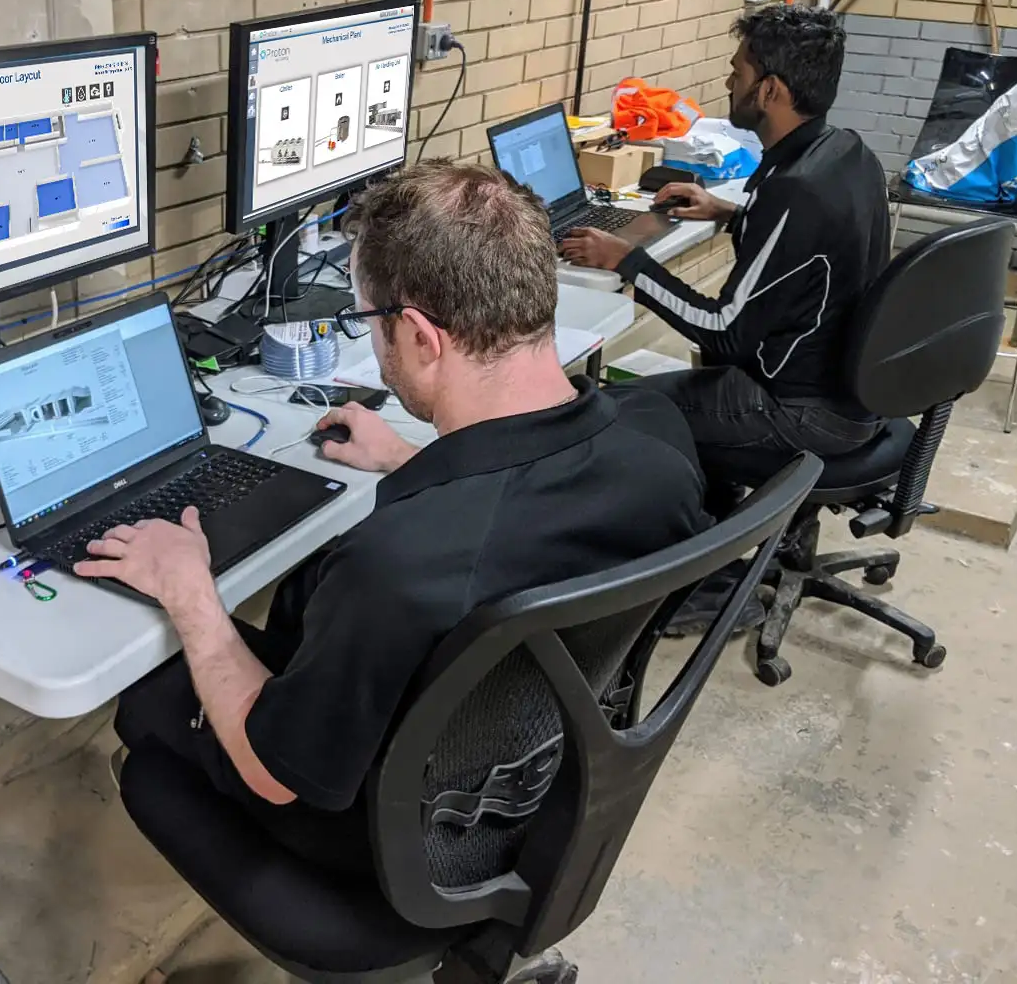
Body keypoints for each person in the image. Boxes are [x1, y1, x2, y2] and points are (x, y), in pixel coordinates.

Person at [82, 160, 711, 876]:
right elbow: (522, 507)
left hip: (393, 846)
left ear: (417, 335)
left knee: (150, 694)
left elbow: (275, 775)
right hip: (530, 779)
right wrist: (407, 460)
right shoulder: (658, 437)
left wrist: (190, 592)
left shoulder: (398, 565)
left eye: (368, 321)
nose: (375, 345)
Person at [562, 4, 890, 461]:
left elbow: (723, 330)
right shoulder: (845, 151)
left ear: (769, 90)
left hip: (803, 410)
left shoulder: (795, 191)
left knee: (606, 411)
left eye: (738, 73)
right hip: (850, 392)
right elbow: (807, 250)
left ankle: (698, 505)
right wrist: (729, 213)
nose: (728, 84)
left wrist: (626, 260)